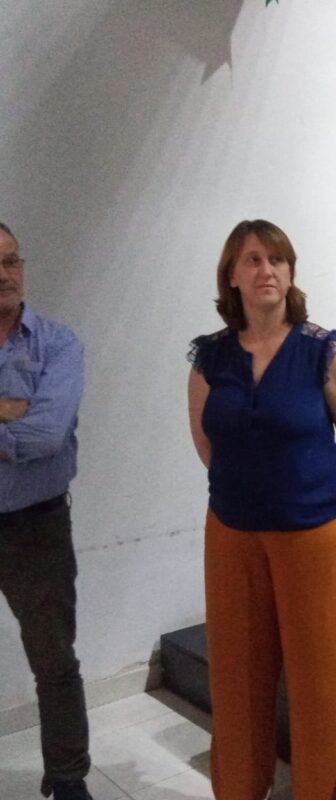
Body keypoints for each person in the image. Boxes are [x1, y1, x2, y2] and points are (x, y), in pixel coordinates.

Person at [187, 220, 336, 800]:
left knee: (318, 684)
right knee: (237, 677)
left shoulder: (322, 351)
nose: (265, 270)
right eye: (252, 259)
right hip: (232, 533)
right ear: (231, 276)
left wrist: (305, 490)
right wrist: (253, 491)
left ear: (290, 274)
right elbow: (207, 444)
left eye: (277, 259)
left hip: (312, 535)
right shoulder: (210, 358)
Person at [0, 222, 90, 800]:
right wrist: (9, 409)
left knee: (54, 661)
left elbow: (47, 434)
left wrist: (26, 419)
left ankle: (67, 778)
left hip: (36, 525)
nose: (4, 274)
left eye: (11, 261)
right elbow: (24, 429)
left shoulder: (58, 345)